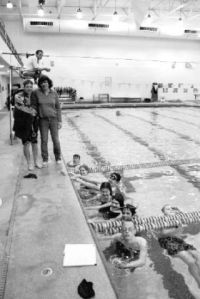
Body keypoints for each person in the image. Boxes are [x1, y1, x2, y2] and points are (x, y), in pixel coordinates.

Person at [158, 204, 200, 288]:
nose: (170, 210)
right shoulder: (162, 219)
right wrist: (176, 227)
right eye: (167, 209)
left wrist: (179, 210)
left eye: (171, 208)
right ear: (163, 212)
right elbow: (163, 233)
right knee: (191, 261)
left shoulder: (178, 217)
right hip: (167, 241)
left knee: (197, 256)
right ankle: (199, 282)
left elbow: (188, 218)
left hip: (178, 240)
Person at [30, 75, 62, 167]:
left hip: (54, 119)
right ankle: (45, 158)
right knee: (44, 140)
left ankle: (58, 157)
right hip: (42, 120)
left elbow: (58, 108)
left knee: (55, 140)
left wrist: (60, 121)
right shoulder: (36, 93)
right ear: (40, 84)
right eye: (42, 82)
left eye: (46, 82)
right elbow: (34, 105)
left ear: (49, 83)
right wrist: (32, 112)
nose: (44, 84)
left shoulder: (54, 93)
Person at [13, 79, 41, 170]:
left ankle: (36, 161)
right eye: (27, 86)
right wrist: (33, 111)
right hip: (23, 123)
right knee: (26, 143)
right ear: (24, 87)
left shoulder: (34, 95)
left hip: (34, 122)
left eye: (30, 86)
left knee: (35, 142)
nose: (29, 88)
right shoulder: (18, 96)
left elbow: (38, 106)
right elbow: (21, 107)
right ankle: (29, 163)